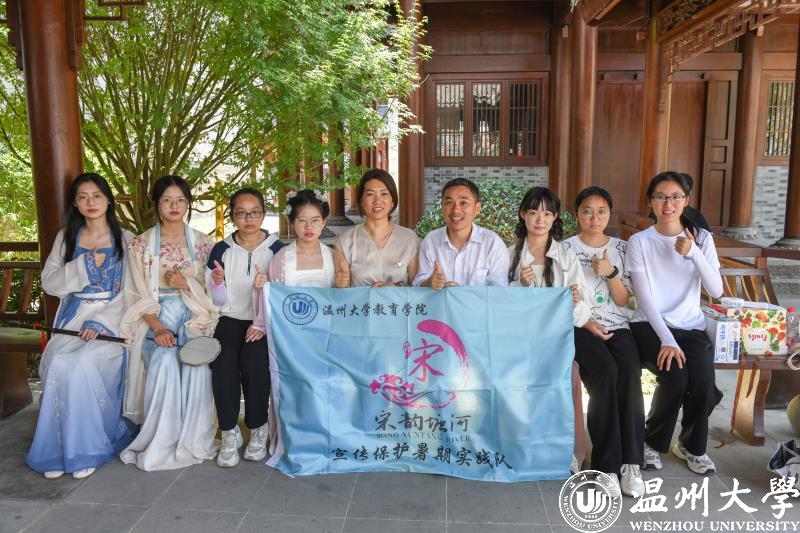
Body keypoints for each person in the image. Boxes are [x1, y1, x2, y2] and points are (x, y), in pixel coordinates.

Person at [507, 187, 632, 494]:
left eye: (547, 213)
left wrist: (573, 303)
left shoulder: (565, 254)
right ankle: (539, 449)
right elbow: (500, 303)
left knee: (606, 370)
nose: (540, 219)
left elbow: (581, 303)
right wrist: (520, 286)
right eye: (533, 212)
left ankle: (607, 466)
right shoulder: (510, 254)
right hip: (523, 335)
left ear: (555, 218)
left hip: (565, 329)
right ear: (523, 215)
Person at [26, 173, 136, 480]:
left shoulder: (126, 239)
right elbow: (49, 282)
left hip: (113, 322)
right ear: (75, 203)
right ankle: (58, 450)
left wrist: (101, 321)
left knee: (84, 362)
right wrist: (81, 267)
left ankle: (86, 448)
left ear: (108, 200)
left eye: (97, 196)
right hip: (73, 319)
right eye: (83, 197)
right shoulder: (67, 237)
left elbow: (133, 290)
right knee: (59, 362)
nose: (91, 202)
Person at [120, 175, 219, 471]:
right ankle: (161, 441)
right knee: (164, 360)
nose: (174, 206)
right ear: (157, 204)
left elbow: (213, 293)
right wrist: (158, 327)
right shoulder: (140, 244)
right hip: (155, 317)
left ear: (188, 204)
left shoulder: (203, 243)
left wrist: (185, 283)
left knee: (196, 362)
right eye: (167, 200)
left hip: (194, 315)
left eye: (180, 200)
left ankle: (194, 439)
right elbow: (135, 293)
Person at [629, 171, 724, 475]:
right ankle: (651, 442)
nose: (668, 204)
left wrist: (694, 252)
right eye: (660, 197)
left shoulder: (702, 239)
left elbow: (716, 290)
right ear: (650, 202)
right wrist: (667, 339)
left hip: (690, 326)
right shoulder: (640, 241)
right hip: (650, 325)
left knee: (703, 381)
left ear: (686, 200)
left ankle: (690, 446)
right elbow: (644, 298)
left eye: (675, 197)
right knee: (675, 374)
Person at [563, 186, 645, 497]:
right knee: (605, 373)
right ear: (577, 215)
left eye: (601, 212)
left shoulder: (622, 249)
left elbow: (624, 302)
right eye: (587, 211)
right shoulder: (564, 249)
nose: (594, 218)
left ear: (609, 215)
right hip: (580, 326)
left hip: (618, 326)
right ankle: (606, 465)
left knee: (630, 373)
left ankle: (631, 463)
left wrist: (611, 274)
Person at [206, 187, 283, 468]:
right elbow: (217, 300)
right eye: (241, 213)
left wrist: (267, 289)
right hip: (229, 319)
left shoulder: (277, 249)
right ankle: (229, 431)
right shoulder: (222, 249)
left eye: (254, 213)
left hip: (264, 321)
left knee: (255, 363)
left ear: (263, 214)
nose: (248, 219)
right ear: (232, 216)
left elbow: (283, 292)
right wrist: (217, 283)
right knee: (222, 362)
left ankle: (258, 427)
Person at [413, 178, 509, 288]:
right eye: (449, 203)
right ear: (442, 206)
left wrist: (462, 293)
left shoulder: (493, 243)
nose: (455, 210)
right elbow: (418, 284)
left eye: (463, 203)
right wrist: (430, 282)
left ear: (477, 208)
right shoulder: (431, 241)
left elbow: (500, 290)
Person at [334, 169, 419, 288]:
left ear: (393, 200)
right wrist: (340, 286)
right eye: (370, 194)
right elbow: (342, 292)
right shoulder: (345, 242)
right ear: (361, 201)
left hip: (398, 301)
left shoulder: (409, 239)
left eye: (384, 194)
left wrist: (395, 288)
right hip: (360, 301)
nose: (377, 201)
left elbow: (416, 287)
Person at [265, 189, 335, 287]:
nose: (309, 226)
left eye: (315, 220)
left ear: (324, 222)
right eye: (302, 220)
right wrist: (261, 286)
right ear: (292, 223)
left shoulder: (333, 256)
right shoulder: (281, 258)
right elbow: (273, 293)